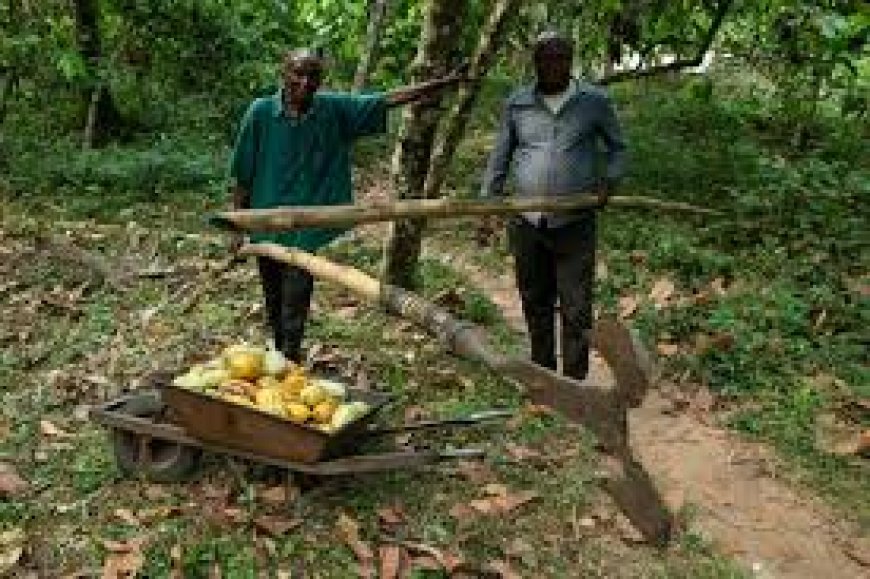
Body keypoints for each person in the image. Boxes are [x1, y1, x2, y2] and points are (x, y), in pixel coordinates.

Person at [230, 48, 467, 362]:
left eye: (312, 75)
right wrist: (237, 226)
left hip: (305, 226)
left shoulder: (331, 110)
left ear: (321, 80)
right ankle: (280, 356)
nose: (304, 82)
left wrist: (441, 84)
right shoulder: (260, 113)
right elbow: (243, 172)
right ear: (283, 75)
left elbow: (383, 100)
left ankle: (289, 359)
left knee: (296, 295)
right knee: (273, 296)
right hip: (265, 221)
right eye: (297, 74)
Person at [480, 31, 627, 381]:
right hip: (527, 221)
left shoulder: (594, 102)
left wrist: (610, 179)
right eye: (544, 58)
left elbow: (618, 148)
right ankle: (543, 374)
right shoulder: (518, 104)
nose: (551, 66)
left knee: (576, 307)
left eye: (559, 58)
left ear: (570, 61)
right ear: (534, 62)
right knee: (535, 299)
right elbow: (501, 154)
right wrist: (489, 200)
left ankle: (574, 381)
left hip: (575, 221)